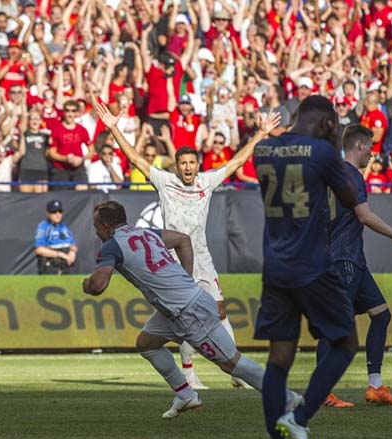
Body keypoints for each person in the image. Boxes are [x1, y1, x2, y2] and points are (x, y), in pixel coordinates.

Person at [95, 101, 280, 389]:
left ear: (197, 165)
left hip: (201, 255)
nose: (188, 168)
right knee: (182, 317)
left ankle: (235, 372)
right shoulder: (165, 181)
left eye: (192, 162)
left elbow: (236, 163)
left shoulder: (206, 182)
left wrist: (261, 134)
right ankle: (191, 374)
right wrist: (115, 129)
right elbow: (135, 160)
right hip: (171, 258)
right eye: (183, 163)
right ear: (177, 165)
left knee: (219, 311)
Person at [82, 200, 301, 420]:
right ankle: (185, 394)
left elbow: (99, 285)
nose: (96, 231)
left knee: (231, 363)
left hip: (189, 311)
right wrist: (186, 278)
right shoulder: (146, 233)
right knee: (147, 344)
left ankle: (286, 398)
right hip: (176, 309)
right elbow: (182, 240)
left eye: (96, 226)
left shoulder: (111, 246)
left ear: (106, 227)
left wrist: (88, 284)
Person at [253, 95, 360, 439]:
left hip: (276, 266)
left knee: (278, 359)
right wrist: (332, 145)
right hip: (312, 265)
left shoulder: (263, 150)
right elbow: (348, 195)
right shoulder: (322, 151)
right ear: (328, 123)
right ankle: (299, 420)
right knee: (346, 341)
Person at [321, 125, 392, 408]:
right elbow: (363, 215)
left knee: (381, 314)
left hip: (352, 259)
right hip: (344, 259)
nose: (372, 154)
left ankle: (375, 386)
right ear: (360, 146)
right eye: (370, 148)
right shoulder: (350, 175)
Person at [34, 200, 77, 275]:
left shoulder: (64, 227)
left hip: (66, 266)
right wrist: (60, 254)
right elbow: (39, 250)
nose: (58, 215)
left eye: (60, 211)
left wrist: (72, 252)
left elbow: (73, 245)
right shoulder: (43, 227)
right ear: (48, 213)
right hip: (52, 266)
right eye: (54, 212)